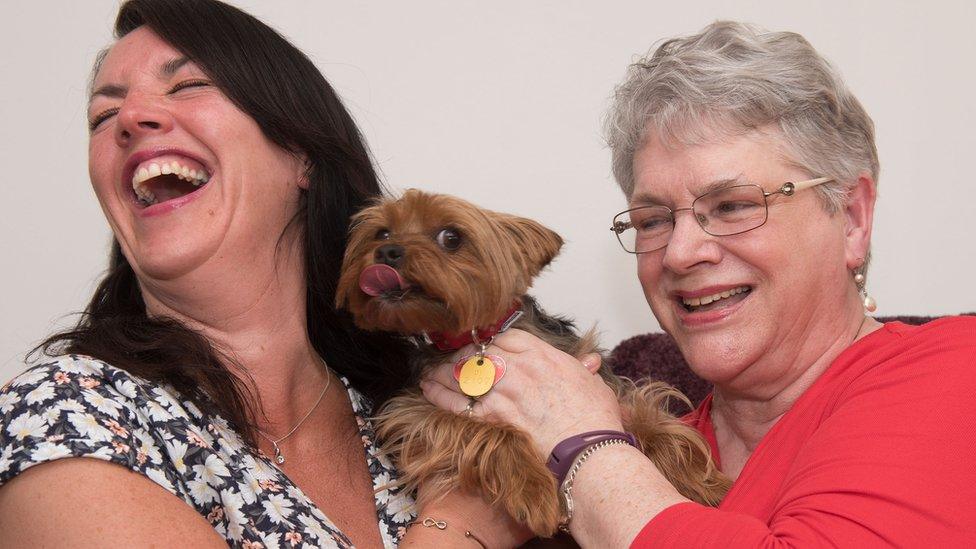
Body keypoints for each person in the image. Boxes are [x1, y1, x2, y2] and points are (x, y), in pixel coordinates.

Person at [421, 21, 976, 547]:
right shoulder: (657, 445)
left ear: (852, 217)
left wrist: (582, 443)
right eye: (653, 221)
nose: (681, 253)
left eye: (732, 206)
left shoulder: (954, 369)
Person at [0, 1, 524, 547]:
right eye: (103, 117)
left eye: (186, 86)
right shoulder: (65, 414)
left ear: (300, 151)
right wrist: (460, 524)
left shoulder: (411, 408)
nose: (130, 119)